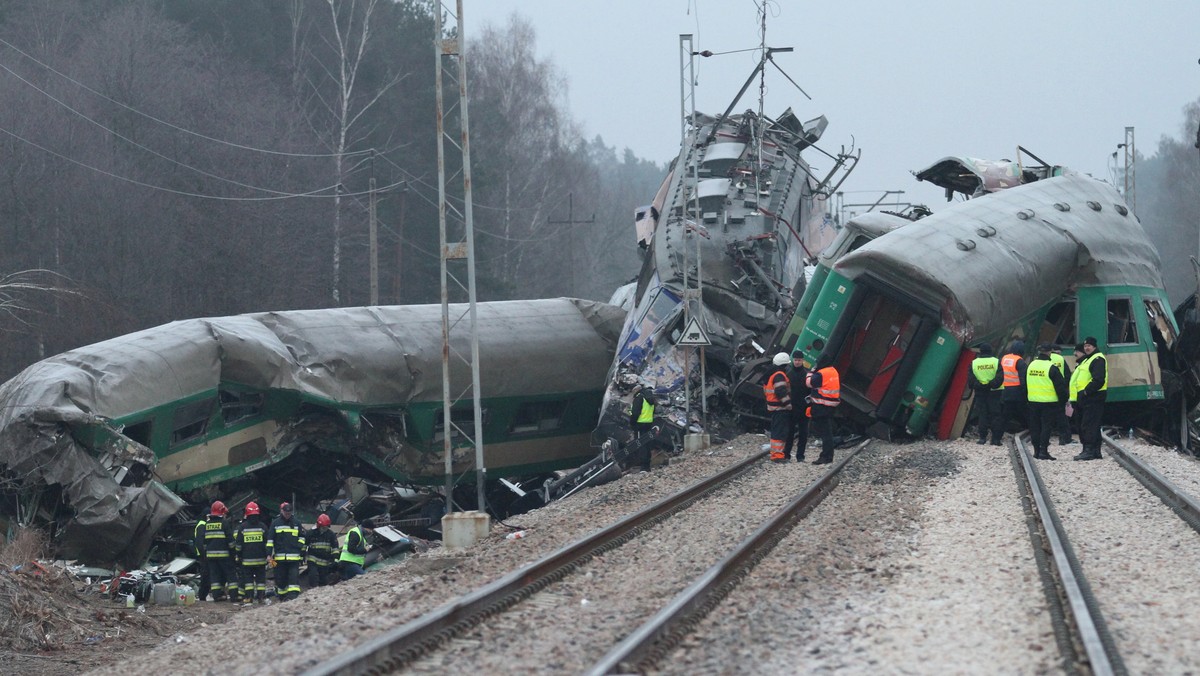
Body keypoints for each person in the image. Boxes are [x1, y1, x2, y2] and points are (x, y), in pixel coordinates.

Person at [1026, 343, 1068, 460]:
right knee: (1046, 427)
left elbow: (1025, 384)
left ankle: (1036, 451)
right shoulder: (1052, 367)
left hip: (1033, 401)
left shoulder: (1031, 365)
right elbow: (1060, 387)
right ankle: (1043, 452)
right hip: (1049, 403)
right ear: (1050, 352)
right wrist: (1063, 401)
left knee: (1035, 427)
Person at [1073, 336, 1108, 461]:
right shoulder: (1089, 359)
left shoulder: (1097, 359)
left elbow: (1098, 379)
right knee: (1092, 424)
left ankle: (1088, 450)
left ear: (1094, 346)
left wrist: (1086, 391)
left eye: (1089, 346)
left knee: (1088, 424)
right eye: (1085, 346)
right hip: (1088, 397)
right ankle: (1095, 451)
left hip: (1093, 396)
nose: (1087, 348)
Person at [805, 354, 841, 465]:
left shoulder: (821, 373)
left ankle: (826, 456)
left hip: (821, 406)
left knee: (825, 433)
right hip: (830, 406)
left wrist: (811, 372)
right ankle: (827, 456)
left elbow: (809, 383)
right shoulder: (833, 370)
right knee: (827, 432)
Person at [268, 502, 306, 601]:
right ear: (282, 511)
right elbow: (270, 540)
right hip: (280, 559)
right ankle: (282, 596)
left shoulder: (296, 523)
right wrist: (268, 554)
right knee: (281, 579)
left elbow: (302, 537)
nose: (287, 515)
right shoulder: (275, 523)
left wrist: (299, 546)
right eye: (286, 513)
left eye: (289, 513)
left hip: (294, 558)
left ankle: (293, 597)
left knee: (293, 578)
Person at [201, 500, 238, 602]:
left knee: (215, 575)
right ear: (222, 512)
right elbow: (230, 541)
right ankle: (234, 596)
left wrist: (206, 554)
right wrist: (233, 552)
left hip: (210, 557)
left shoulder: (207, 524)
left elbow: (204, 542)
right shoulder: (224, 523)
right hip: (224, 555)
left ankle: (217, 596)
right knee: (230, 574)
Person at [969, 343, 1004, 445]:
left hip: (980, 393)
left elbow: (971, 381)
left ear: (981, 352)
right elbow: (1000, 378)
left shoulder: (974, 363)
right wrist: (990, 384)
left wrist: (981, 385)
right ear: (990, 351)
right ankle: (995, 439)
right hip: (995, 392)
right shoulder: (996, 362)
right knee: (996, 415)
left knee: (982, 415)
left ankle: (982, 438)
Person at [234, 501, 269, 605]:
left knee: (248, 580)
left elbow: (239, 544)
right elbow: (268, 543)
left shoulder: (242, 527)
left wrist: (238, 556)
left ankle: (248, 597)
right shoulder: (263, 527)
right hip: (261, 560)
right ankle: (261, 598)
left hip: (247, 561)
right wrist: (269, 557)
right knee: (261, 580)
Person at [763, 352, 793, 462]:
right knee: (780, 432)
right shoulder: (779, 375)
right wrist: (788, 404)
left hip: (774, 407)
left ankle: (776, 454)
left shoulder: (771, 373)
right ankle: (777, 456)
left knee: (777, 431)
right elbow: (780, 392)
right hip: (780, 408)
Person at [785, 351, 811, 461]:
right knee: (789, 433)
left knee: (803, 434)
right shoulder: (788, 374)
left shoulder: (807, 375)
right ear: (792, 360)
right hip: (791, 408)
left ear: (803, 361)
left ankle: (800, 456)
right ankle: (786, 454)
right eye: (795, 360)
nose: (797, 362)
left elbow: (810, 392)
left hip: (804, 409)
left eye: (799, 360)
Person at [999, 340, 1028, 434]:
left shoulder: (1004, 358)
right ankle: (1027, 426)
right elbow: (1023, 378)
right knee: (1022, 410)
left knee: (1006, 411)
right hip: (1016, 390)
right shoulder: (1020, 361)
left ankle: (1000, 431)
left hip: (1004, 389)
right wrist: (1025, 391)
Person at [306, 513, 341, 587]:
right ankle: (313, 589)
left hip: (325, 561)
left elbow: (335, 548)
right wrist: (302, 554)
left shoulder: (331, 535)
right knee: (313, 576)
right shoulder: (311, 533)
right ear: (319, 526)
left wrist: (335, 560)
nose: (324, 529)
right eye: (323, 527)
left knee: (323, 581)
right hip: (313, 559)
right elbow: (304, 544)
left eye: (326, 527)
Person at [1048, 346, 1074, 445]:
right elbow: (1067, 376)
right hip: (1058, 392)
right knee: (1062, 417)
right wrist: (1064, 389)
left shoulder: (1038, 360)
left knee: (1045, 418)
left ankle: (1043, 440)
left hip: (1041, 395)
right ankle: (1064, 439)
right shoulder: (1060, 359)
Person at [628, 384, 657, 471]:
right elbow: (654, 410)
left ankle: (644, 467)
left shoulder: (639, 397)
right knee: (647, 443)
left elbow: (636, 413)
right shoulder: (649, 398)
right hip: (649, 423)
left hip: (640, 424)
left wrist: (632, 423)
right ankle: (647, 465)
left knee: (641, 445)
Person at [192, 512, 211, 602]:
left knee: (206, 575)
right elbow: (199, 543)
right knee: (205, 576)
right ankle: (202, 595)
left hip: (203, 554)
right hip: (203, 555)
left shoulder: (202, 524)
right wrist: (204, 554)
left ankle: (203, 595)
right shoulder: (202, 525)